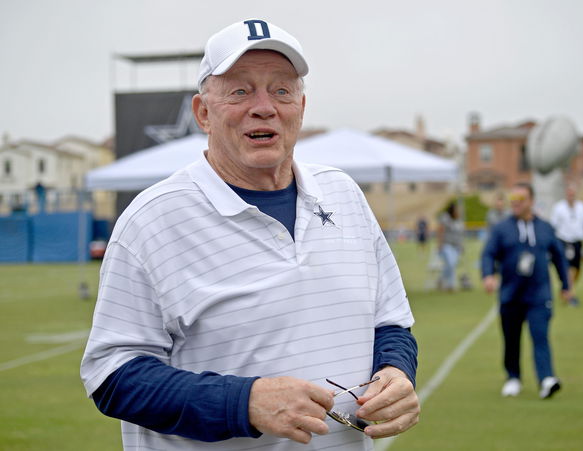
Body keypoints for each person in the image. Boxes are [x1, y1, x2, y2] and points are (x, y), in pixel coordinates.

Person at [80, 19, 419, 451]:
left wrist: (395, 370)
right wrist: (243, 402)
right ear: (203, 112)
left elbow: (389, 321)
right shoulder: (151, 220)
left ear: (301, 105)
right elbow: (112, 375)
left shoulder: (344, 194)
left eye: (281, 90)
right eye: (240, 91)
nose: (264, 107)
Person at [481, 183, 571, 399]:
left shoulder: (545, 227)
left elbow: (558, 257)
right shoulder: (502, 228)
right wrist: (488, 275)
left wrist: (566, 285)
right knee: (511, 339)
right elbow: (488, 254)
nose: (516, 204)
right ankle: (513, 377)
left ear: (531, 201)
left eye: (520, 200)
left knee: (540, 336)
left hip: (539, 294)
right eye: (513, 200)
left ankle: (547, 379)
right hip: (511, 294)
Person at [550, 183, 583, 306]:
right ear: (566, 194)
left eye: (573, 194)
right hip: (564, 240)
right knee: (569, 268)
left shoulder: (581, 207)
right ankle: (570, 294)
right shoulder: (559, 207)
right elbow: (553, 226)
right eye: (569, 193)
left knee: (577, 269)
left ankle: (566, 288)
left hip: (578, 241)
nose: (571, 196)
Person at [436, 201, 463, 291]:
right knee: (450, 264)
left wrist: (461, 246)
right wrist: (440, 244)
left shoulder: (458, 220)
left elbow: (459, 234)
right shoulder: (445, 218)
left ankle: (441, 279)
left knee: (451, 266)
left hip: (456, 247)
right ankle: (451, 285)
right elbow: (440, 231)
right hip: (447, 245)